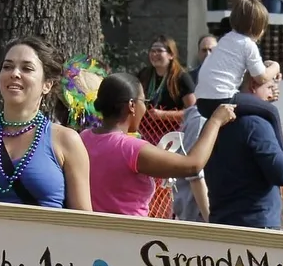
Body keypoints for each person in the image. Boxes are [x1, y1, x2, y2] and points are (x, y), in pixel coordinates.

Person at [0, 37, 91, 211]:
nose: (14, 74)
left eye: (27, 68)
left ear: (47, 85)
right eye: (7, 67)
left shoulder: (67, 141)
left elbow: (84, 221)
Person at [82, 73, 233, 216]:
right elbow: (192, 165)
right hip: (130, 236)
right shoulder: (131, 148)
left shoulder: (84, 138)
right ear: (132, 105)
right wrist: (215, 121)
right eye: (144, 102)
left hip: (93, 235)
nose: (145, 108)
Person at [202, 68, 283, 229]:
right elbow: (282, 173)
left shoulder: (213, 123)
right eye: (269, 88)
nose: (272, 95)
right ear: (253, 85)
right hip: (257, 224)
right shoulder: (256, 124)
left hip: (221, 221)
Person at [193, 0, 283, 140]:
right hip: (222, 98)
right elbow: (261, 77)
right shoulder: (248, 44)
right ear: (259, 27)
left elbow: (246, 69)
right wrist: (276, 67)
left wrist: (267, 67)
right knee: (271, 111)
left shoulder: (226, 39)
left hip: (203, 102)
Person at [136, 36, 197, 143]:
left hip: (172, 137)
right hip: (144, 134)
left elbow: (193, 112)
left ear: (171, 55)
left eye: (159, 51)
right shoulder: (144, 74)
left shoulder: (181, 78)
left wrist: (162, 115)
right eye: (152, 51)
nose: (154, 54)